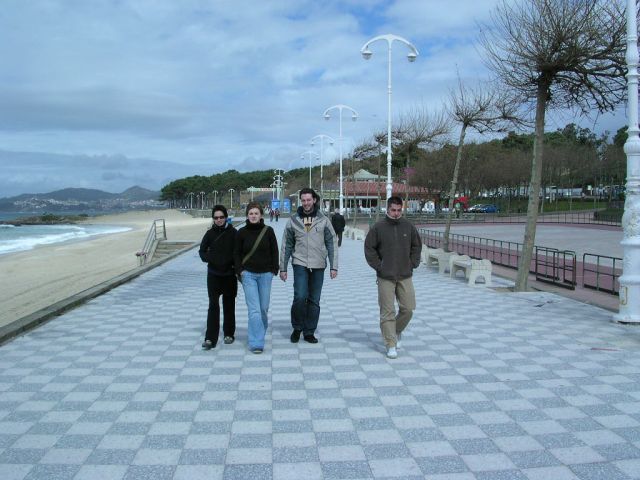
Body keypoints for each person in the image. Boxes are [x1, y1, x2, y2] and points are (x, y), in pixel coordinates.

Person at [364, 196, 422, 359]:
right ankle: (390, 343)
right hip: (385, 276)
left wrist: (413, 263)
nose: (396, 213)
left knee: (408, 308)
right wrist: (379, 266)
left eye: (398, 210)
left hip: (405, 274)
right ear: (387, 209)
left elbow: (417, 246)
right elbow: (369, 248)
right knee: (387, 311)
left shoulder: (408, 226)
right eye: (393, 210)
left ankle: (396, 330)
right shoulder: (378, 227)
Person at [279, 188, 338, 344]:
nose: (306, 203)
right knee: (300, 296)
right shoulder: (293, 220)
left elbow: (332, 243)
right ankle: (297, 327)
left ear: (314, 200)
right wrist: (283, 268)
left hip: (318, 264)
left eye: (308, 200)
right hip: (299, 263)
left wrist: (334, 266)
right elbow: (286, 245)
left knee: (314, 299)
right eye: (303, 200)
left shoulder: (324, 220)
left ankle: (309, 331)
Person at [234, 202, 279, 354]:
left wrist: (274, 270)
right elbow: (236, 253)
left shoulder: (268, 231)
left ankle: (259, 332)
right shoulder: (241, 232)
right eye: (251, 213)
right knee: (254, 310)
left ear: (261, 215)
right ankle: (256, 342)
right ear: (247, 215)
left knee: (263, 309)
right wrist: (240, 271)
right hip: (249, 275)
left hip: (266, 274)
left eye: (256, 213)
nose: (253, 216)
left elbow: (274, 250)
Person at [198, 205, 237, 350]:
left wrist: (235, 267)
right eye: (216, 218)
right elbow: (202, 251)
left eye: (221, 217)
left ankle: (229, 333)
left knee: (229, 305)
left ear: (226, 217)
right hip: (213, 275)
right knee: (213, 306)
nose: (219, 220)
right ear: (213, 219)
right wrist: (211, 259)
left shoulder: (234, 233)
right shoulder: (209, 234)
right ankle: (210, 338)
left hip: (229, 275)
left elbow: (238, 252)